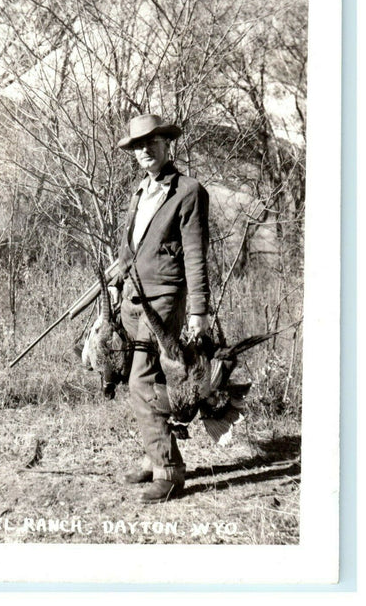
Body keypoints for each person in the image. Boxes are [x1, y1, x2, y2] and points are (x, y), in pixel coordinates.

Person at [109, 113, 210, 503]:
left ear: (168, 144)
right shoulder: (139, 192)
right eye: (138, 145)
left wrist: (198, 311)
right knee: (139, 379)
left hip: (164, 300)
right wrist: (116, 281)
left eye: (152, 142)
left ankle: (169, 472)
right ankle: (155, 458)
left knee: (142, 380)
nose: (145, 150)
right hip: (132, 296)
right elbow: (130, 248)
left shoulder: (188, 191)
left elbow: (197, 257)